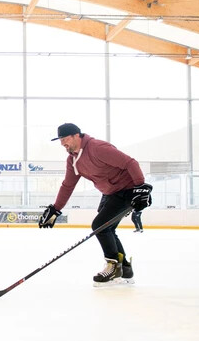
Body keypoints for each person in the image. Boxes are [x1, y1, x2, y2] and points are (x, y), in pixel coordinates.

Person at [38, 123, 152, 286]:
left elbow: (130, 163)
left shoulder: (97, 148)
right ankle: (125, 269)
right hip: (110, 193)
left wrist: (141, 187)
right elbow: (68, 185)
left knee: (100, 225)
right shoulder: (72, 160)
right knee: (107, 228)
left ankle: (113, 267)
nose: (62, 143)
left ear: (76, 135)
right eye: (60, 140)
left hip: (127, 189)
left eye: (64, 139)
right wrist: (56, 209)